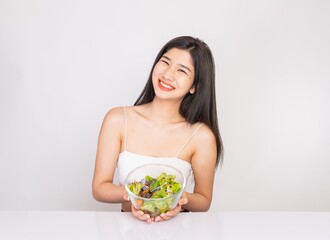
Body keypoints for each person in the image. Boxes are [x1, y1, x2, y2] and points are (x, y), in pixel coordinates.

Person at [92, 36, 224, 223]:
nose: (168, 75)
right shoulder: (117, 119)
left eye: (181, 71)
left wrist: (177, 199)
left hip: (177, 231)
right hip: (126, 229)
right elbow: (99, 188)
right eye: (165, 62)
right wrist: (138, 197)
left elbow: (203, 201)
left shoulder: (201, 136)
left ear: (195, 86)